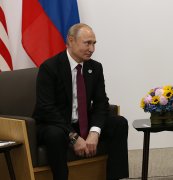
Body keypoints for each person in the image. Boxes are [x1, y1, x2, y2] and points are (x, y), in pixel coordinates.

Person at [33, 23, 129, 180]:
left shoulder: (95, 68)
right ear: (71, 40)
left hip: (82, 122)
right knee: (54, 134)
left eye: (94, 43)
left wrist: (94, 132)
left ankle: (115, 177)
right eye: (87, 43)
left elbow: (101, 104)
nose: (92, 49)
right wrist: (73, 137)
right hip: (54, 123)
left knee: (119, 123)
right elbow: (46, 109)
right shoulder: (50, 67)